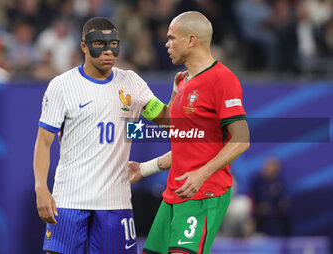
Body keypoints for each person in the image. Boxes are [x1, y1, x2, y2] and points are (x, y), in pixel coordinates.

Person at [33, 17, 179, 254]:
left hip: (115, 201)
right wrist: (41, 188)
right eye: (99, 44)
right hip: (70, 199)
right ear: (84, 46)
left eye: (113, 44)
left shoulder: (132, 82)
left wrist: (175, 94)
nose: (108, 51)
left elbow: (168, 123)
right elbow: (43, 142)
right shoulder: (62, 86)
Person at [129, 11, 250, 254]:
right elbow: (182, 138)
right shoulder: (184, 80)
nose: (166, 44)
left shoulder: (222, 79)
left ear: (191, 40)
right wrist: (145, 168)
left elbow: (241, 139)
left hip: (204, 192)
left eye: (172, 37)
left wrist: (201, 174)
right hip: (175, 193)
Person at [250, 157, 291, 236]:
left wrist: (276, 207)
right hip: (259, 217)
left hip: (276, 215)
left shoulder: (280, 182)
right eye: (267, 166)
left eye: (272, 166)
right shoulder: (257, 182)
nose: (268, 168)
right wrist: (258, 209)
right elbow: (251, 200)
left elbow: (284, 201)